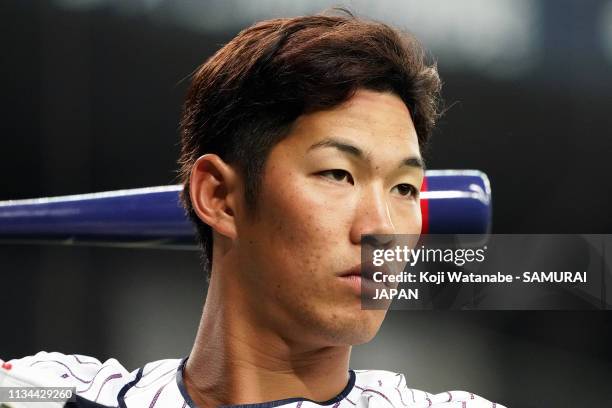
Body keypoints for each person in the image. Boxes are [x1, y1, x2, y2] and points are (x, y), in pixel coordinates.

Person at [1, 10, 506, 408]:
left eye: (404, 188)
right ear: (218, 196)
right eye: (338, 174)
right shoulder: (59, 394)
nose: (380, 230)